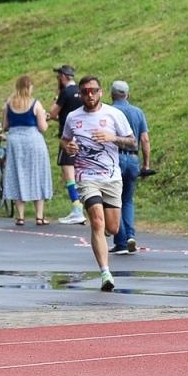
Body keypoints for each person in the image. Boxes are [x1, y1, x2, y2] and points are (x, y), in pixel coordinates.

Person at [61, 75, 135, 291]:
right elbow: (65, 139)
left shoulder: (114, 114)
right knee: (97, 221)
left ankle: (103, 241)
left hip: (111, 177)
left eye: (93, 90)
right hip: (86, 177)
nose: (89, 95)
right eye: (84, 91)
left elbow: (131, 141)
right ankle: (105, 273)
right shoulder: (73, 117)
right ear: (81, 94)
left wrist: (112, 138)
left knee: (112, 227)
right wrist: (69, 147)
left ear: (101, 92)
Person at [2, 74, 51, 226]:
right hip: (33, 140)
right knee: (37, 174)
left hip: (15, 141)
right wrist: (45, 118)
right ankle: (39, 215)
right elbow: (42, 127)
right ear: (29, 88)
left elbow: (5, 125)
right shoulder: (35, 104)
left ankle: (20, 216)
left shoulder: (8, 104)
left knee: (18, 174)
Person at [108, 80, 151, 255]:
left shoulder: (109, 112)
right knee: (127, 199)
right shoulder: (138, 112)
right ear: (127, 94)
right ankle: (130, 235)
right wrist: (146, 163)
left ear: (112, 94)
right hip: (133, 158)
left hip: (114, 157)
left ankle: (121, 241)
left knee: (113, 200)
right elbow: (145, 140)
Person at [49, 64, 85, 223]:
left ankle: (77, 208)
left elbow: (52, 114)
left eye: (58, 77)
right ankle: (83, 206)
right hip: (83, 137)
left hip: (68, 138)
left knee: (69, 174)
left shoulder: (65, 93)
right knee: (80, 174)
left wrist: (56, 100)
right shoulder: (81, 91)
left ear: (63, 77)